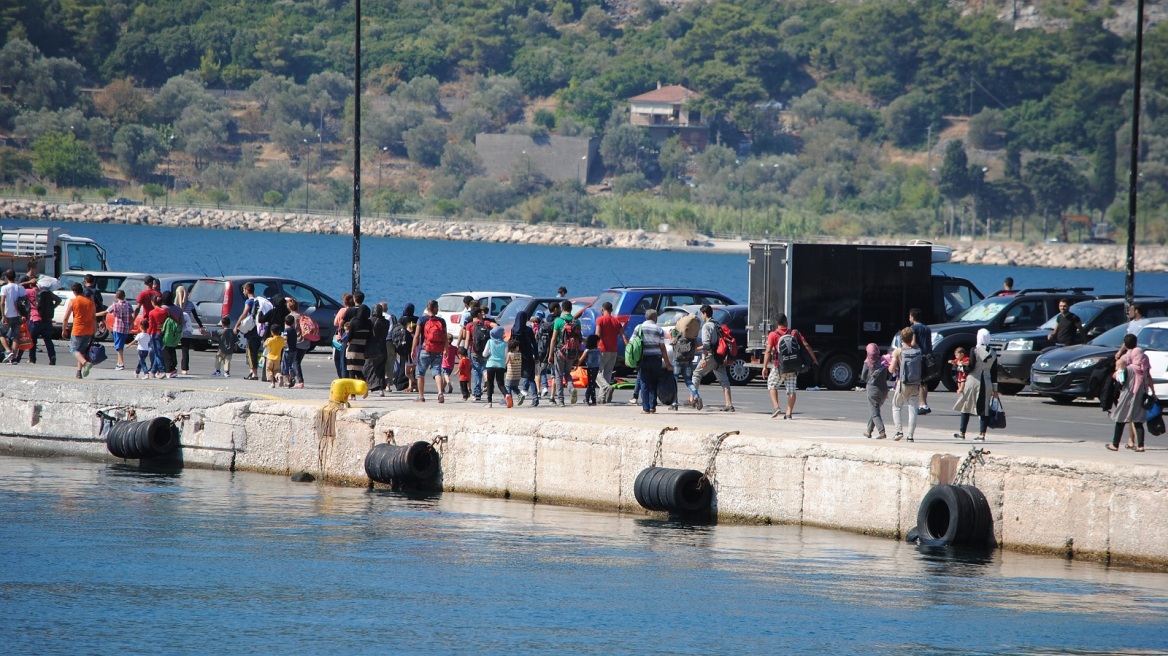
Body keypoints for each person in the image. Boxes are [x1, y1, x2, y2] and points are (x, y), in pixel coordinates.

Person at [761, 313, 816, 420]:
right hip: (794, 366)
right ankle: (789, 413)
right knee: (791, 390)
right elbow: (806, 345)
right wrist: (813, 358)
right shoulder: (794, 333)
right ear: (786, 321)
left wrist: (764, 367)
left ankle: (776, 407)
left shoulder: (773, 334)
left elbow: (768, 351)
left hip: (779, 366)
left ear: (776, 323)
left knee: (772, 384)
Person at [952, 329, 1000, 442]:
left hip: (973, 381)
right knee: (984, 409)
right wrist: (995, 390)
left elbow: (971, 366)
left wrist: (960, 367)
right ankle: (982, 434)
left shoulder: (975, 350)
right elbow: (994, 373)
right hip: (987, 381)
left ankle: (962, 432)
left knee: (966, 406)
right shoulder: (993, 352)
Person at [1108, 336, 1150, 452]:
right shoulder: (1143, 365)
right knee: (1138, 420)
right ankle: (1140, 446)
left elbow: (1119, 378)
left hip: (1127, 395)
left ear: (1125, 345)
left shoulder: (1128, 368)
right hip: (1141, 394)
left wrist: (1119, 367)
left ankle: (1115, 444)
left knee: (1120, 419)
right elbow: (1149, 378)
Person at [692, 304, 734, 412]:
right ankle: (729, 404)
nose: (701, 316)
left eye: (702, 314)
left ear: (704, 313)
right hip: (720, 355)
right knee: (724, 380)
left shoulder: (706, 326)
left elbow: (706, 345)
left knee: (697, 374)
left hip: (711, 355)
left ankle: (694, 398)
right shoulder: (717, 324)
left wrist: (703, 358)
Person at [888, 327, 923, 442]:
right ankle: (910, 436)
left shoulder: (898, 351)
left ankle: (899, 431)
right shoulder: (918, 350)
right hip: (916, 383)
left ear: (901, 338)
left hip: (903, 383)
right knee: (913, 408)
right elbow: (914, 343)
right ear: (912, 338)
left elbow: (892, 369)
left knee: (897, 406)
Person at [636, 309, 670, 414]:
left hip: (643, 359)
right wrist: (667, 363)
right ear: (655, 317)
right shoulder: (658, 329)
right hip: (656, 359)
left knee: (644, 383)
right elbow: (662, 347)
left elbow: (633, 343)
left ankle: (645, 408)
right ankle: (652, 406)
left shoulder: (639, 328)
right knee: (654, 383)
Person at [413, 299, 447, 402]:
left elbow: (417, 336)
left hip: (425, 349)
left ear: (427, 308)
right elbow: (445, 337)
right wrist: (446, 349)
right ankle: (440, 393)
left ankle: (421, 396)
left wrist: (413, 349)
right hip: (437, 349)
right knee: (437, 372)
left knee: (420, 373)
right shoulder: (441, 321)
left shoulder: (422, 320)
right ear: (436, 309)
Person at [235, 282, 271, 381]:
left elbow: (245, 313)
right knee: (255, 350)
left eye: (243, 290)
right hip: (259, 329)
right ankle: (252, 372)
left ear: (247, 290)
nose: (243, 292)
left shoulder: (249, 301)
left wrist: (237, 325)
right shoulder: (258, 300)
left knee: (251, 351)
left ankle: (254, 373)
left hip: (251, 329)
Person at [549, 300, 581, 407]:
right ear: (571, 309)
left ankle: (561, 400)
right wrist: (578, 355)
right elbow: (579, 339)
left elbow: (553, 339)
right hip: (572, 352)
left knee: (558, 375)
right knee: (567, 373)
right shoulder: (577, 321)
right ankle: (571, 388)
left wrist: (550, 354)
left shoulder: (558, 321)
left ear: (562, 309)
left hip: (560, 352)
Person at [62, 282, 96, 379]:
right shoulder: (90, 301)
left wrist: (64, 330)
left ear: (74, 291)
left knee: (74, 350)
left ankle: (86, 363)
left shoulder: (73, 301)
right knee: (82, 351)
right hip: (89, 329)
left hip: (78, 329)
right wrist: (94, 330)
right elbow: (94, 317)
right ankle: (79, 372)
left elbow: (65, 318)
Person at [594, 302, 624, 404]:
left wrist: (593, 345)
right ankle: (602, 398)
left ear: (602, 309)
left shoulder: (600, 319)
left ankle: (606, 387)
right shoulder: (616, 321)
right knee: (607, 373)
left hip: (602, 349)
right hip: (613, 350)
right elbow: (623, 335)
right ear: (612, 310)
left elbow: (598, 334)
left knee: (596, 372)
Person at [860, 343, 889, 439]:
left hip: (872, 390)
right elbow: (887, 376)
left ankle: (882, 432)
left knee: (875, 412)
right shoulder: (883, 361)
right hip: (884, 390)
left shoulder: (867, 362)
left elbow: (863, 376)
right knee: (875, 410)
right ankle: (868, 431)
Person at [29, 277, 59, 365]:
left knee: (33, 340)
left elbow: (19, 287)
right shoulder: (48, 293)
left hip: (35, 319)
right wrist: (52, 308)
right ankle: (52, 357)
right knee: (48, 340)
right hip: (47, 320)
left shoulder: (30, 292)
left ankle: (32, 359)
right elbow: (58, 300)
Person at [174, 285, 204, 375]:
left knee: (172, 348)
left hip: (177, 330)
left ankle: (173, 366)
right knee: (185, 350)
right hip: (187, 330)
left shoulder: (175, 305)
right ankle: (185, 369)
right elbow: (196, 317)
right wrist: (201, 326)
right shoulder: (190, 304)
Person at [511, 310, 539, 405]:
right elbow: (534, 344)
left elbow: (511, 344)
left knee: (512, 377)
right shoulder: (528, 330)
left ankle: (514, 394)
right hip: (528, 355)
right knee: (530, 377)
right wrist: (537, 356)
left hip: (517, 356)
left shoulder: (514, 330)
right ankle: (535, 396)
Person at [909, 308, 934, 415]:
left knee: (920, 382)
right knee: (925, 382)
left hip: (919, 356)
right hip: (928, 356)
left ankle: (923, 405)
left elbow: (913, 342)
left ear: (913, 317)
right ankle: (923, 403)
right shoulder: (927, 328)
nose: (909, 318)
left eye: (910, 316)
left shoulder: (913, 328)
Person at [463, 306, 490, 401]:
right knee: (484, 368)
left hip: (474, 350)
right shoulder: (486, 323)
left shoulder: (469, 325)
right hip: (485, 350)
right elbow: (497, 327)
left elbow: (467, 339)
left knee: (476, 371)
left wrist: (465, 351)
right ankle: (487, 379)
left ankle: (477, 393)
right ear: (479, 314)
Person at [364, 303, 389, 394]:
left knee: (368, 368)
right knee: (380, 369)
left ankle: (370, 386)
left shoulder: (371, 321)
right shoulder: (386, 322)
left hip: (372, 347)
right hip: (383, 347)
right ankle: (380, 388)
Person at [107, 289, 134, 371]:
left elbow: (107, 311)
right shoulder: (128, 305)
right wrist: (131, 324)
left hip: (118, 327)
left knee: (118, 346)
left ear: (116, 296)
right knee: (121, 345)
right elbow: (131, 315)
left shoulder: (115, 305)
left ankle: (121, 363)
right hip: (126, 328)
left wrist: (95, 314)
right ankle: (118, 363)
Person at [0, 269, 23, 363]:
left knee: (1, 334)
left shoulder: (5, 288)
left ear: (6, 277)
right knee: (15, 336)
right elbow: (24, 302)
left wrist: (3, 315)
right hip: (18, 315)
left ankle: (8, 351)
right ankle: (13, 358)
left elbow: (2, 303)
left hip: (8, 314)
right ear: (15, 277)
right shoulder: (20, 288)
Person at [484, 325, 509, 408]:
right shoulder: (505, 344)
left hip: (490, 364)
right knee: (501, 383)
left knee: (490, 383)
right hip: (501, 365)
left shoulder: (490, 342)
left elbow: (484, 354)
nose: (504, 334)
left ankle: (489, 402)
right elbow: (506, 356)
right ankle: (506, 395)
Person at [332, 293, 354, 379]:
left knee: (338, 358)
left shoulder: (343, 310)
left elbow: (335, 323)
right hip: (351, 337)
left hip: (341, 337)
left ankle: (341, 376)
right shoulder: (355, 311)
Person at [580, 334, 601, 406]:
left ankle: (591, 399)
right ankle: (589, 398)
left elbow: (581, 359)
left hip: (592, 367)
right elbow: (582, 358)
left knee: (591, 383)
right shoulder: (592, 350)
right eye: (598, 342)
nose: (599, 343)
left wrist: (576, 364)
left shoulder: (591, 350)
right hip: (593, 367)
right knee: (591, 383)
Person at [505, 337, 524, 407]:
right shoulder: (519, 354)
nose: (518, 347)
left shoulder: (509, 354)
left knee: (508, 387)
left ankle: (510, 401)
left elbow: (506, 362)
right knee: (515, 387)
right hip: (517, 375)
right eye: (517, 346)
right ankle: (520, 395)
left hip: (510, 375)